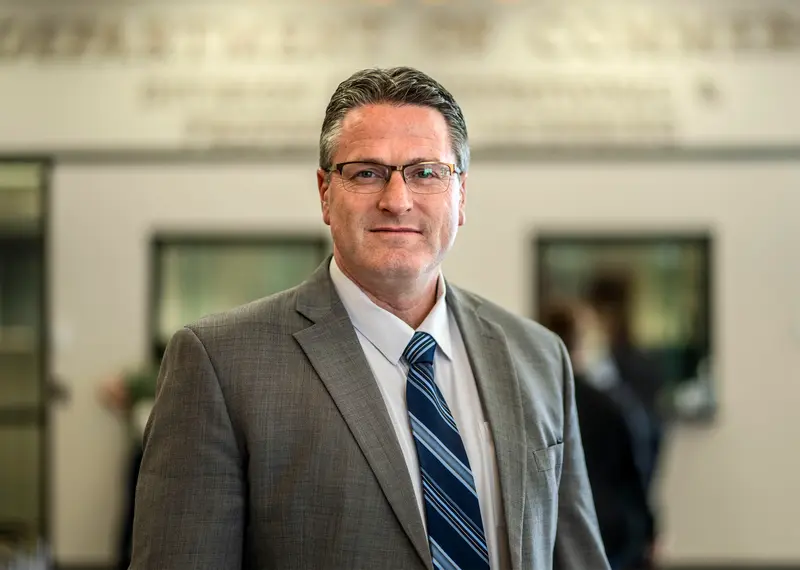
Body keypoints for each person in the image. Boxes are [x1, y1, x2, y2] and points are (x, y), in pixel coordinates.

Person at [130, 67, 609, 570]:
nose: (396, 200)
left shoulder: (537, 355)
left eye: (426, 172)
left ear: (461, 195)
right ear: (324, 193)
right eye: (366, 172)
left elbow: (575, 554)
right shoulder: (221, 365)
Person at [542, 301, 656, 570]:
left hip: (551, 532)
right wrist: (651, 530)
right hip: (609, 531)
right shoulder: (612, 405)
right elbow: (636, 472)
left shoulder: (533, 400)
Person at [97, 343, 164, 570]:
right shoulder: (163, 375)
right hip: (155, 454)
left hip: (143, 453)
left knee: (133, 510)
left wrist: (125, 408)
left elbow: (107, 389)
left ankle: (124, 561)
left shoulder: (143, 376)